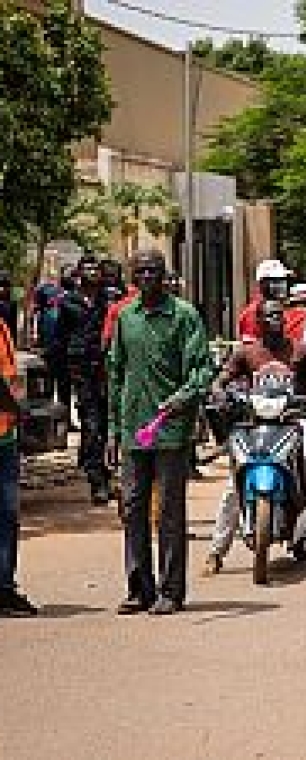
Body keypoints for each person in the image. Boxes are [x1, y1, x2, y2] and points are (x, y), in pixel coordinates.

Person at [107, 250, 212, 615]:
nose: (148, 277)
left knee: (169, 511)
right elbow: (116, 374)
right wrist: (111, 431)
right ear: (132, 278)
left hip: (170, 430)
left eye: (154, 271)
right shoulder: (125, 318)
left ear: (166, 276)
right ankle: (139, 588)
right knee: (132, 508)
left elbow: (201, 367)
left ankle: (171, 590)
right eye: (141, 272)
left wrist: (184, 397)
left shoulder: (184, 316)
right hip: (133, 429)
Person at [203, 299, 306, 575]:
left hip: (294, 420)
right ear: (257, 322)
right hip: (254, 423)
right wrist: (219, 392)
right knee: (232, 487)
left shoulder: (302, 351)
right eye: (267, 316)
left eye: (277, 316)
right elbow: (221, 379)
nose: (273, 321)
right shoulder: (245, 353)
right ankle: (216, 551)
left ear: (285, 321)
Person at [58, 254, 112, 503]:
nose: (92, 272)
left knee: (104, 424)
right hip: (81, 370)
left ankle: (105, 473)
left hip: (105, 368)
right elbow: (60, 339)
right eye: (87, 268)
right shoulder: (68, 303)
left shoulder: (107, 301)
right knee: (91, 424)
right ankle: (96, 480)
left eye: (96, 268)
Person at [0, 311, 35, 616]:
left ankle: (5, 588)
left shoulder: (1, 326)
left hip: (5, 436)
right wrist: (18, 410)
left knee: (8, 516)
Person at [33, 280, 71, 416]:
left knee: (55, 386)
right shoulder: (54, 307)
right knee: (60, 386)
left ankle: (54, 417)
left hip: (54, 351)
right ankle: (59, 418)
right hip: (57, 351)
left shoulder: (47, 312)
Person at [237, 259, 291, 342]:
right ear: (262, 284)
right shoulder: (253, 313)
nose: (283, 285)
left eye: (284, 280)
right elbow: (251, 351)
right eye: (276, 281)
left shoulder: (282, 308)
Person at [0, 271, 18, 341]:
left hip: (5, 338)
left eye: (4, 286)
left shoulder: (12, 304)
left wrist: (13, 342)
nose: (1, 289)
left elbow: (13, 326)